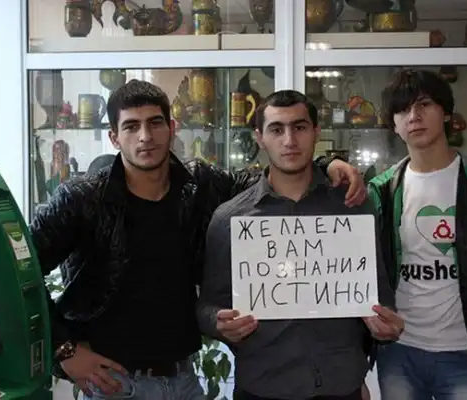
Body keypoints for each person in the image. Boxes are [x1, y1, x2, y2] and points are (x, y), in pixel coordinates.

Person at [29, 80, 366, 400]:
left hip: (184, 380)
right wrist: (63, 350)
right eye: (131, 126)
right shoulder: (80, 199)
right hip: (114, 382)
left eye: (155, 123)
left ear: (172, 128)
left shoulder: (200, 185)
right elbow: (19, 275)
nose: (145, 136)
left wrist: (326, 163)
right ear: (114, 138)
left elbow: (274, 178)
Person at [197, 90, 404, 400]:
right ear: (259, 137)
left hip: (341, 386)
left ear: (316, 132)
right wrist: (218, 323)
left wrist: (386, 324)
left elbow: (379, 294)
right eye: (276, 129)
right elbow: (207, 305)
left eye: (300, 127)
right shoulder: (229, 219)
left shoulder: (353, 208)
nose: (289, 140)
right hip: (263, 388)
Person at [369, 69, 467, 400]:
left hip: (465, 355)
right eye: (403, 109)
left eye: (424, 104)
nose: (414, 116)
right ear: (394, 125)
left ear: (446, 113)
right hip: (398, 354)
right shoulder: (381, 191)